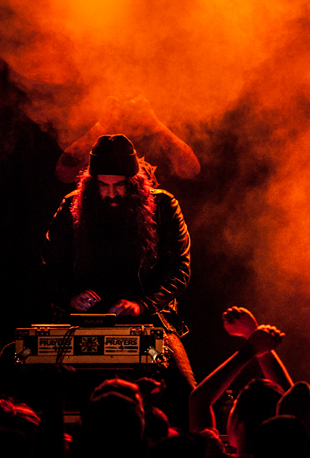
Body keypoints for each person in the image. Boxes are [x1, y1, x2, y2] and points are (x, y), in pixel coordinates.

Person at [42, 134, 196, 424]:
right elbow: (48, 269)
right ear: (91, 183)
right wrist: (71, 298)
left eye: (119, 185)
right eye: (103, 185)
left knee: (186, 396)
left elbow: (179, 271)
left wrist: (142, 305)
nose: (111, 194)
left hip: (151, 321)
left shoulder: (164, 207)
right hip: (83, 322)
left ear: (134, 183)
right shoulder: (70, 207)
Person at [55, 95, 200, 184]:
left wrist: (155, 125)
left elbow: (192, 170)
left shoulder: (160, 133)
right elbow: (64, 174)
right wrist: (101, 126)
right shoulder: (98, 139)